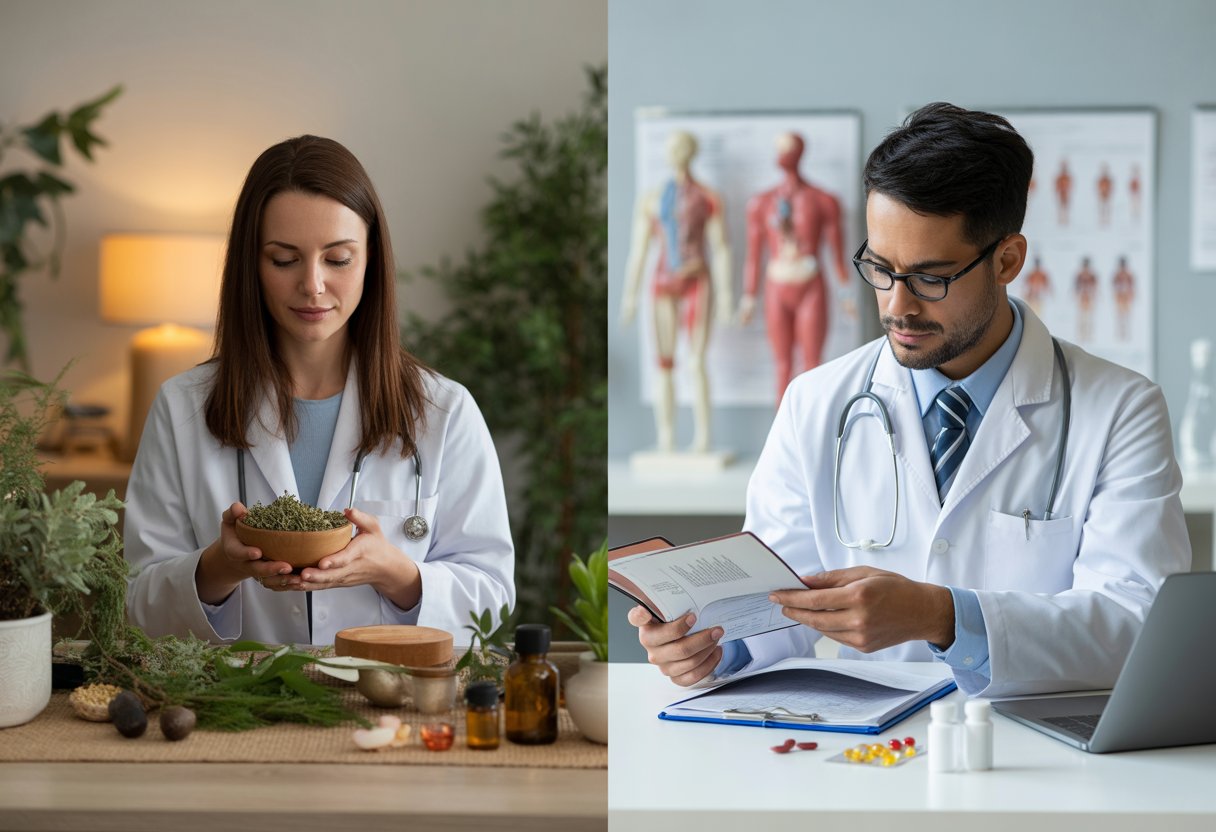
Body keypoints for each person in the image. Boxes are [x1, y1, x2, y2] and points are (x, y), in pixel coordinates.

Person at [629, 103, 1190, 699]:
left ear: (1007, 260)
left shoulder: (1120, 410)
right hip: (865, 759)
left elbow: (1137, 625)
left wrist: (941, 615)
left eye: (930, 277)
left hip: (1036, 755)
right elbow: (779, 600)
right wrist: (712, 646)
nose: (898, 306)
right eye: (880, 268)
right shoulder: (816, 402)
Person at [125, 136, 514, 645]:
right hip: (235, 712)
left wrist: (396, 574)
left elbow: (492, 599)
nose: (312, 285)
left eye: (338, 259)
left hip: (387, 709)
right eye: (284, 260)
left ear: (371, 260)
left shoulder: (444, 410)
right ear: (251, 266)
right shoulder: (183, 407)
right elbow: (136, 601)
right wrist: (218, 568)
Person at [620, 130, 732, 453]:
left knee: (696, 361)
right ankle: (666, 438)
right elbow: (638, 250)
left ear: (691, 152)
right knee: (664, 361)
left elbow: (721, 247)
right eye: (671, 147)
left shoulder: (707, 196)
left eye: (681, 147)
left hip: (696, 278)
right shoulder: (652, 199)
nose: (675, 153)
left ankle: (702, 438)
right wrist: (629, 295)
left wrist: (725, 295)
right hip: (663, 282)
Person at [739, 132, 852, 406]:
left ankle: (814, 435)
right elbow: (754, 255)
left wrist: (846, 294)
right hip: (777, 287)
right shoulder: (761, 203)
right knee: (782, 365)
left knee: (813, 363)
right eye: (778, 148)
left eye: (786, 148)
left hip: (810, 284)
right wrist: (749, 297)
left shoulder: (823, 200)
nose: (781, 154)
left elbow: (838, 254)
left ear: (799, 152)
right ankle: (784, 438)